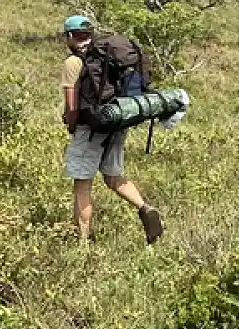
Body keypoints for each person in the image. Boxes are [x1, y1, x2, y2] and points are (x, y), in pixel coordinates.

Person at [61, 15, 163, 245]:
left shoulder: (73, 62)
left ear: (70, 36)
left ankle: (83, 241)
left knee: (82, 185)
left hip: (90, 127)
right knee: (113, 177)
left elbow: (72, 106)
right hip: (117, 121)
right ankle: (145, 208)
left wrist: (72, 126)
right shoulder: (107, 56)